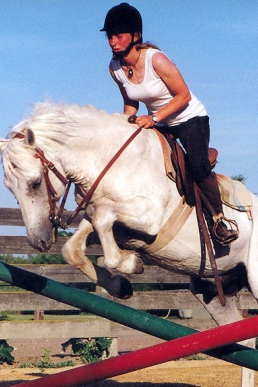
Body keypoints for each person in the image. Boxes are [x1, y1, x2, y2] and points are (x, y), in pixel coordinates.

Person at [101, 2, 238, 246]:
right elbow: (130, 102)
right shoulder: (115, 69)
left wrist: (153, 118)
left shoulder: (157, 60)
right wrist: (125, 126)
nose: (112, 42)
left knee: (197, 166)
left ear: (135, 36)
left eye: (118, 36)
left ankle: (219, 218)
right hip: (159, 122)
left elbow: (183, 95)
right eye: (110, 37)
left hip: (189, 119)